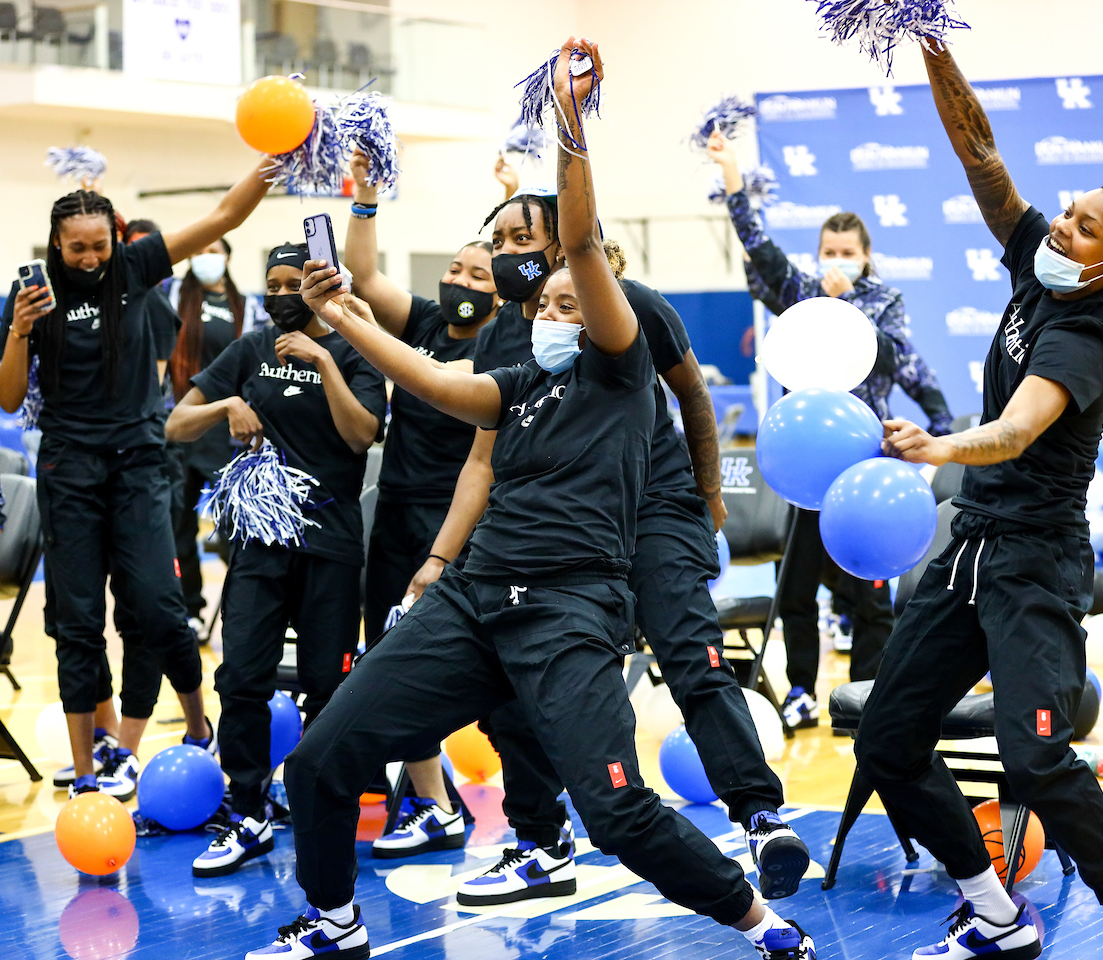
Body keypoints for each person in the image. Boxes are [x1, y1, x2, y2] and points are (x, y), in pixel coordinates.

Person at [248, 39, 815, 960]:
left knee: (620, 810)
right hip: (477, 599)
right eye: (545, 301)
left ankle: (760, 920)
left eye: (569, 298)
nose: (554, 307)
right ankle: (334, 921)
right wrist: (344, 314)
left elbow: (581, 244)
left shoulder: (620, 365)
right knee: (321, 758)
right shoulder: (511, 377)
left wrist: (570, 121)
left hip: (569, 609)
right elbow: (435, 383)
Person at [855, 40, 1103, 960]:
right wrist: (930, 42)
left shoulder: (1085, 328)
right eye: (1068, 213)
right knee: (887, 739)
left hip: (1035, 563)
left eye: (1084, 228)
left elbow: (1013, 433)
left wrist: (936, 446)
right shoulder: (1038, 266)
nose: (1061, 229)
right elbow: (982, 156)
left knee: (1036, 755)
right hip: (972, 550)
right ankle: (995, 913)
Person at [391, 180, 804, 909]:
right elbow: (482, 462)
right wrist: (438, 561)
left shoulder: (628, 300)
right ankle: (541, 843)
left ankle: (758, 815)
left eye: (525, 240)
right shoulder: (500, 334)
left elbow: (694, 396)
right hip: (569, 533)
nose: (509, 254)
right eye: (502, 242)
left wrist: (707, 496)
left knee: (689, 653)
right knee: (512, 676)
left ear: (563, 238)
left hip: (653, 510)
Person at [0, 159, 273, 799]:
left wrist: (268, 167)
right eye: (76, 249)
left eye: (99, 246)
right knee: (79, 622)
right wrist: (20, 331)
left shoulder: (137, 265)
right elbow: (9, 400)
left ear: (115, 241)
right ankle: (89, 777)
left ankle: (200, 728)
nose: (89, 258)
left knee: (156, 605)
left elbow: (223, 217)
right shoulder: (34, 295)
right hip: (70, 469)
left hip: (139, 464)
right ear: (56, 244)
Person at [709, 129, 953, 731]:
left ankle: (865, 695)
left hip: (863, 465)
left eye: (847, 252)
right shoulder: (798, 291)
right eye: (828, 250)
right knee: (794, 590)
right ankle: (799, 691)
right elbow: (759, 247)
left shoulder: (884, 300)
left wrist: (935, 445)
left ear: (865, 256)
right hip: (804, 466)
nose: (836, 261)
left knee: (869, 594)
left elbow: (903, 363)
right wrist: (733, 175)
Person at [165, 243, 385, 878]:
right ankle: (249, 809)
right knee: (242, 680)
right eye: (274, 283)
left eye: (297, 282)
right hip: (261, 543)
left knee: (328, 687)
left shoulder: (357, 346)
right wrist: (226, 405)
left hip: (331, 544)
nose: (284, 293)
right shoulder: (252, 348)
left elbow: (361, 434)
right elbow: (177, 425)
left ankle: (320, 802)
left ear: (323, 285)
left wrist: (325, 360)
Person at [335, 148, 499, 855]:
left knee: (453, 662)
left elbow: (436, 381)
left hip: (460, 523)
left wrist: (362, 334)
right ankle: (433, 802)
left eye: (477, 275)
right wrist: (365, 196)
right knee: (392, 652)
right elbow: (365, 276)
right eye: (455, 269)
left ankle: (538, 806)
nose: (459, 281)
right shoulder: (428, 319)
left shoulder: (505, 341)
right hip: (397, 511)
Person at [165, 236, 266, 639]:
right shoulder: (174, 296)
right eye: (199, 252)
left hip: (228, 433)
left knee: (234, 527)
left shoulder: (249, 308)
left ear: (227, 256)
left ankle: (244, 609)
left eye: (214, 251)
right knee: (178, 526)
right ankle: (190, 610)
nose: (206, 258)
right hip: (183, 426)